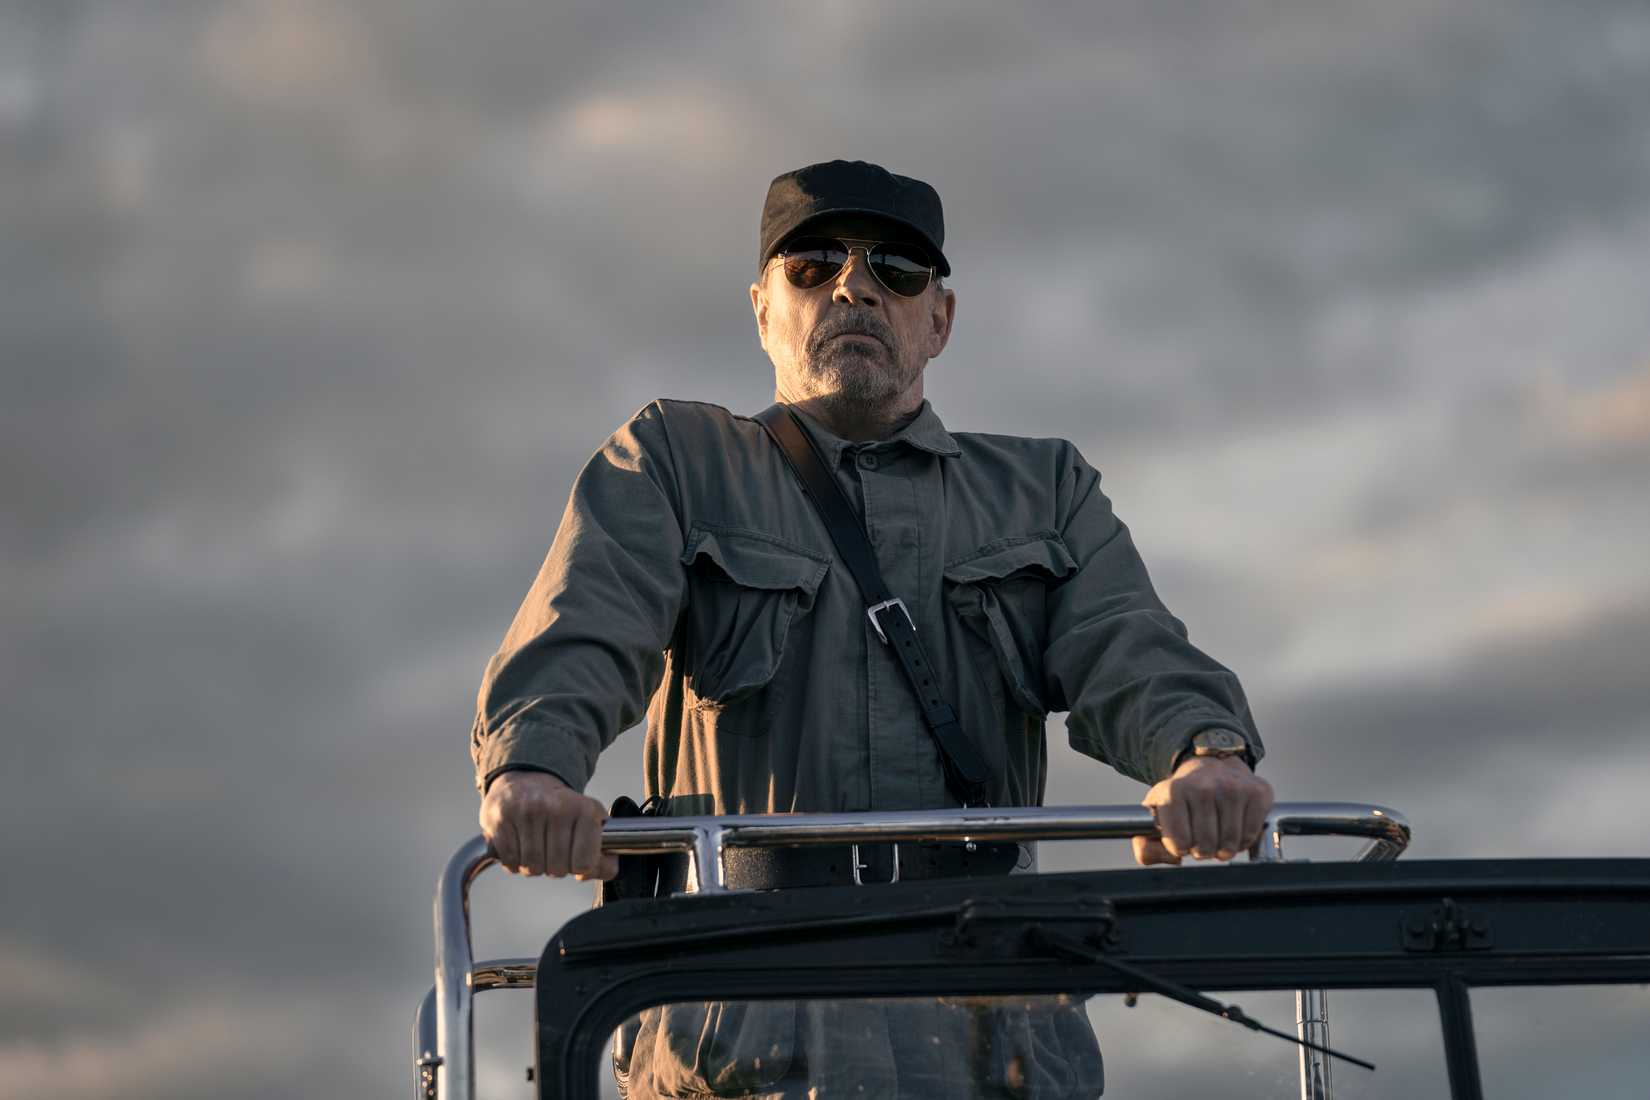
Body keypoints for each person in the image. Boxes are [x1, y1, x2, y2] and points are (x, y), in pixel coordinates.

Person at [471, 159, 1274, 1096]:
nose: (854, 284)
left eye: (896, 267)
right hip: (744, 1040)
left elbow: (1130, 643)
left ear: (939, 318)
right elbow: (585, 624)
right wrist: (534, 771)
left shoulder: (1046, 490)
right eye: (811, 263)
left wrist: (1206, 755)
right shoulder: (677, 463)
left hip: (990, 1041)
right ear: (762, 308)